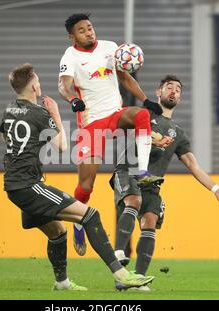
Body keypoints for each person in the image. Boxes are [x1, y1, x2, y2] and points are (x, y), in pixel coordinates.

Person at [0, 63, 155, 291]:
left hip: (14, 184)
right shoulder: (39, 113)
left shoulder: (10, 109)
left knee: (57, 232)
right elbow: (61, 146)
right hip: (28, 185)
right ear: (34, 86)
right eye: (38, 80)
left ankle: (61, 282)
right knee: (91, 215)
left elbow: (6, 137)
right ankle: (121, 275)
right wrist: (55, 113)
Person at [111, 75, 219, 290]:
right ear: (158, 92)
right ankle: (118, 251)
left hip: (152, 183)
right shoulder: (143, 115)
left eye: (178, 89)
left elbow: (193, 165)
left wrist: (215, 189)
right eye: (169, 87)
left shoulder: (178, 133)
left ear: (180, 98)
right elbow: (122, 132)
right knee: (134, 201)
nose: (174, 91)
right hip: (128, 172)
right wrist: (153, 140)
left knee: (150, 221)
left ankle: (137, 280)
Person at [58, 13, 163, 256]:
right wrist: (73, 99)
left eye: (90, 27)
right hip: (91, 123)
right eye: (82, 30)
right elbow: (64, 85)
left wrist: (145, 99)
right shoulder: (70, 56)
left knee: (142, 116)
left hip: (115, 114)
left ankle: (143, 171)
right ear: (72, 36)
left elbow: (124, 76)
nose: (89, 32)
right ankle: (77, 222)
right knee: (86, 185)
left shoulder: (109, 48)